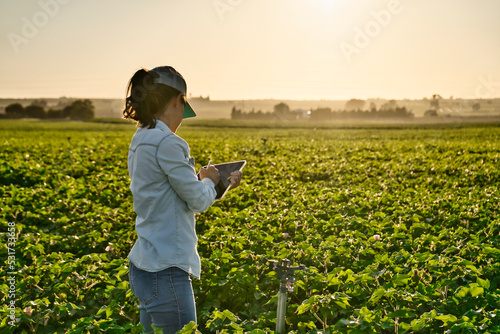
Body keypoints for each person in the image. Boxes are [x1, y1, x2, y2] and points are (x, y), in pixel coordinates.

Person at [122, 66, 242, 333]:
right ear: (177, 100)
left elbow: (176, 198)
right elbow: (198, 202)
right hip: (166, 271)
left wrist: (213, 186)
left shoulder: (140, 139)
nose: (181, 120)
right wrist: (210, 179)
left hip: (144, 265)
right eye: (182, 110)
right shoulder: (170, 143)